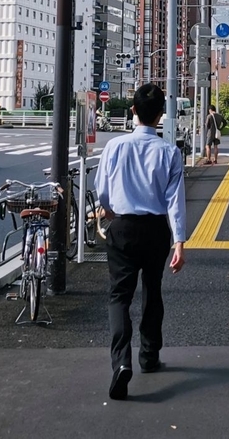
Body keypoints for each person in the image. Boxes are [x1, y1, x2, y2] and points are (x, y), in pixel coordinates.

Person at [93, 83, 186, 401]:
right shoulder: (170, 153)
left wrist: (108, 209)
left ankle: (121, 363)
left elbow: (101, 190)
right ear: (161, 115)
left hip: (122, 227)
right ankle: (149, 356)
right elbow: (175, 201)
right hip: (156, 230)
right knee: (152, 290)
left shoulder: (114, 148)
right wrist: (179, 242)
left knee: (119, 296)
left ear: (133, 111)